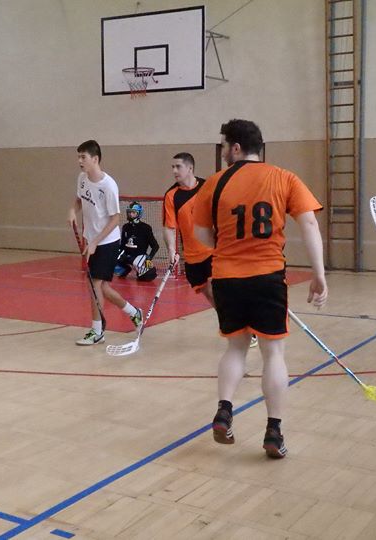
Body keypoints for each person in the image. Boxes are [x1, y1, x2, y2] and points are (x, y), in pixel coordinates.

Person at [193, 119, 327, 458]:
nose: (223, 152)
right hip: (267, 276)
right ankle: (273, 432)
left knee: (235, 348)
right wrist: (319, 274)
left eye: (225, 146)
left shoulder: (215, 183)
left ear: (236, 148)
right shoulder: (284, 178)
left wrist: (228, 246)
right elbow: (309, 222)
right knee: (273, 354)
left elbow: (202, 235)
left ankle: (224, 410)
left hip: (226, 277)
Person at [164, 153, 258, 347]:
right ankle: (231, 323)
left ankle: (244, 328)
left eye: (178, 167)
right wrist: (172, 249)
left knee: (220, 290)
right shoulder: (171, 195)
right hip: (192, 256)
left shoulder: (208, 187)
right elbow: (169, 227)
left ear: (190, 168)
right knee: (209, 293)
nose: (174, 171)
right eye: (172, 167)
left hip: (214, 250)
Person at [67, 140, 143, 345]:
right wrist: (73, 211)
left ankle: (97, 331)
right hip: (92, 239)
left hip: (107, 241)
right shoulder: (82, 178)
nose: (79, 161)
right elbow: (79, 199)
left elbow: (115, 219)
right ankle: (134, 313)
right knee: (104, 288)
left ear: (95, 159)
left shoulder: (108, 185)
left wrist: (95, 242)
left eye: (83, 157)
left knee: (94, 285)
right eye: (78, 157)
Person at [114, 201, 160, 281]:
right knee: (111, 259)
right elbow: (122, 245)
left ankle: (140, 270)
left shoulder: (146, 228)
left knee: (149, 275)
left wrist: (149, 258)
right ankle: (126, 269)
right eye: (129, 212)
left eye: (133, 212)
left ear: (139, 214)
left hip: (139, 256)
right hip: (127, 256)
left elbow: (155, 246)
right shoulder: (125, 227)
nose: (130, 214)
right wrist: (117, 255)